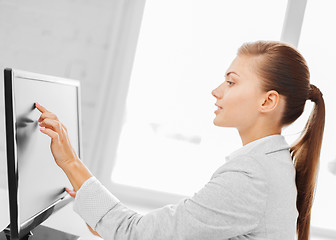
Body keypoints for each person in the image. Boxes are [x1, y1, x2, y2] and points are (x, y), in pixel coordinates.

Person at [35, 40, 325, 240]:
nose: (216, 91)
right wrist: (108, 224)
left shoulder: (251, 176)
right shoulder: (270, 165)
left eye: (231, 81)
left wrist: (70, 162)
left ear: (268, 101)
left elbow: (136, 234)